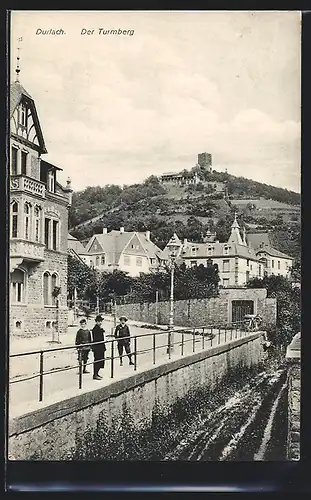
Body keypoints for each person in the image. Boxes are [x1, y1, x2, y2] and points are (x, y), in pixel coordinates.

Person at [91, 315, 106, 380]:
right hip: (98, 348)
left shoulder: (99, 328)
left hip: (100, 347)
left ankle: (96, 373)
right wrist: (101, 331)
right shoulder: (95, 329)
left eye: (101, 321)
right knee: (97, 360)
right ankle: (95, 374)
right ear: (96, 322)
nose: (100, 323)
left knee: (100, 360)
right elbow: (97, 338)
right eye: (99, 321)